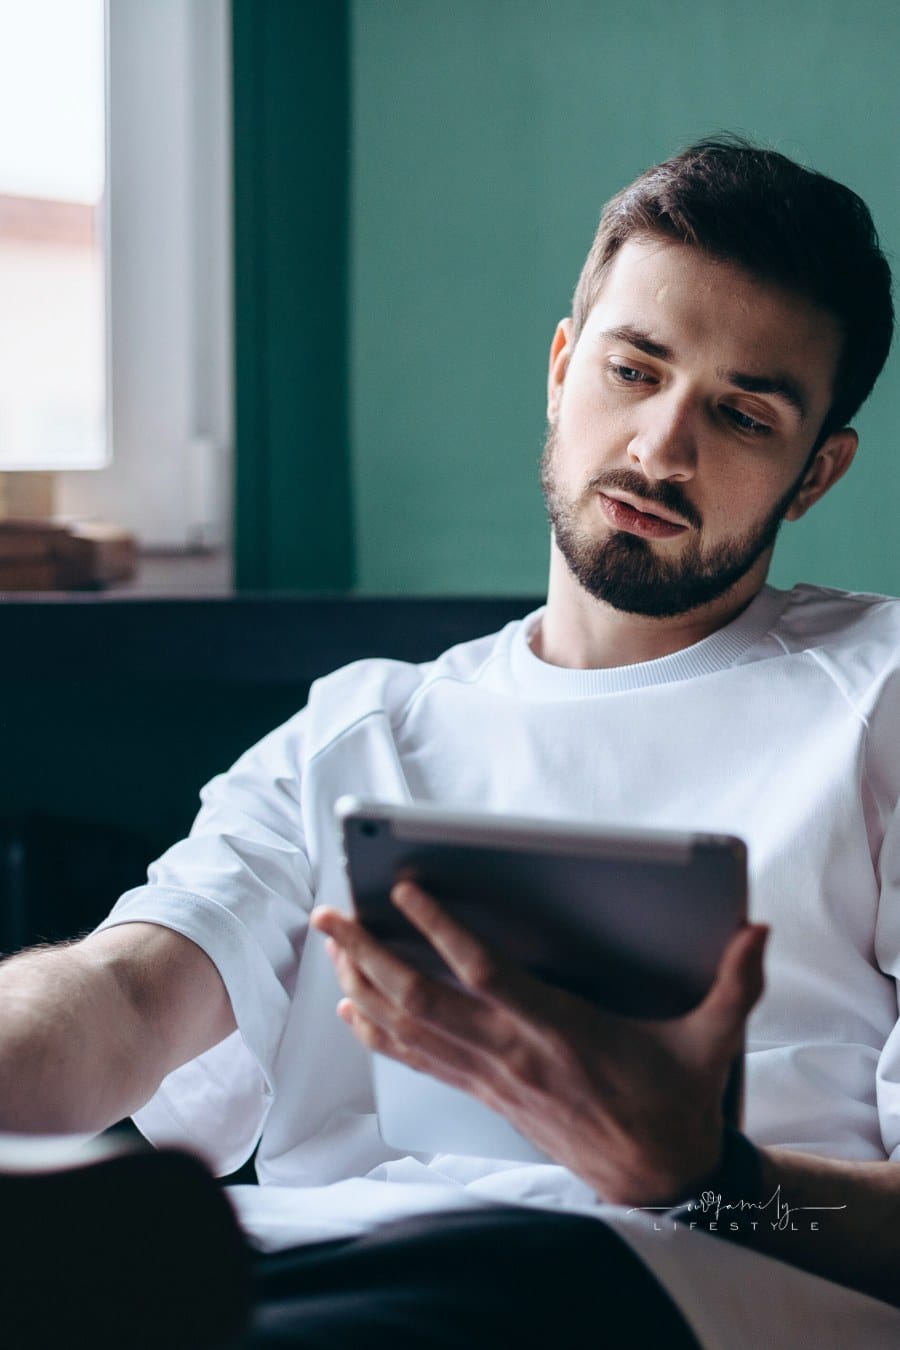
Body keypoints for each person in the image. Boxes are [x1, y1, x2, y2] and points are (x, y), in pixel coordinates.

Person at [2, 136, 900, 1348]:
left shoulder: (878, 696)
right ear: (562, 366)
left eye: (743, 415)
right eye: (635, 371)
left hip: (648, 1278)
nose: (661, 448)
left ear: (815, 474)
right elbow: (122, 992)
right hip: (305, 1267)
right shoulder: (363, 729)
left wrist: (705, 1173)